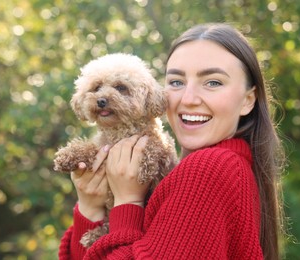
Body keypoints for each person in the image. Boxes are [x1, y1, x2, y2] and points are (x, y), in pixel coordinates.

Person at [58, 23, 285, 260]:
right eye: (176, 82)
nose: (188, 99)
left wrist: (127, 201)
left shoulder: (207, 169)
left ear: (248, 100)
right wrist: (90, 208)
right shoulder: (228, 169)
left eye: (213, 82)